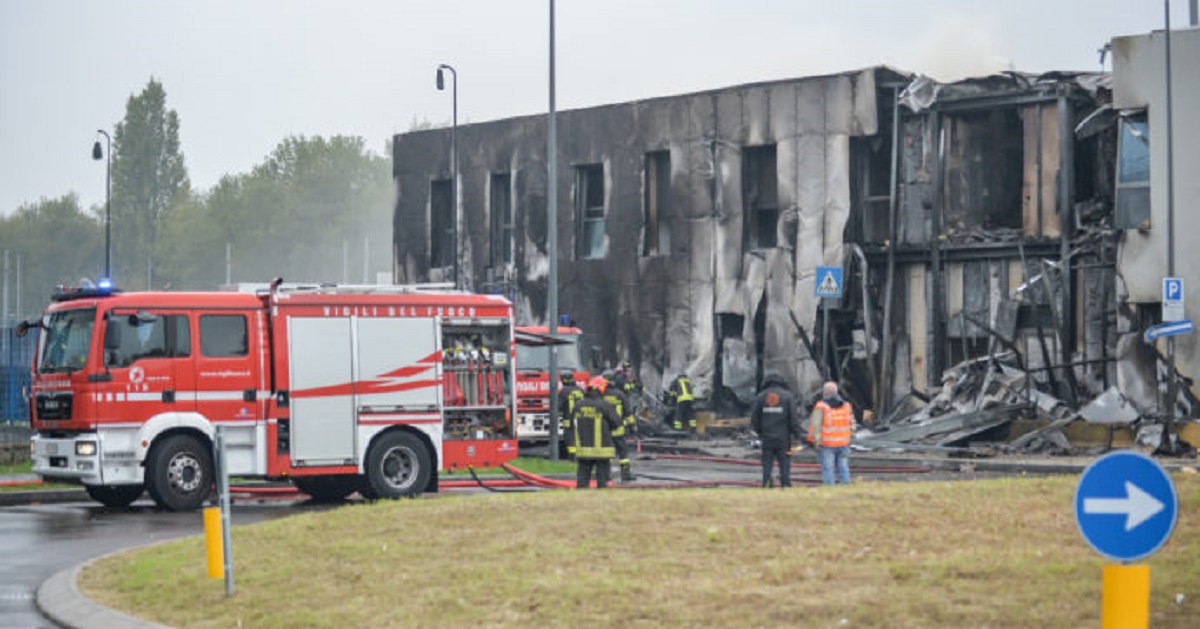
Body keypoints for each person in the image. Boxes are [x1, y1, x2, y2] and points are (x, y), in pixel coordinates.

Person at [749, 372, 802, 488]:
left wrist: (760, 432)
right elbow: (793, 419)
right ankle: (785, 485)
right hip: (784, 438)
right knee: (785, 464)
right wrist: (797, 435)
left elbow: (754, 418)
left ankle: (767, 485)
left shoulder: (760, 397)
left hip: (767, 437)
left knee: (767, 465)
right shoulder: (788, 397)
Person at [571, 376, 622, 489]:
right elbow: (617, 422)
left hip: (583, 450)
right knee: (602, 481)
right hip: (602, 450)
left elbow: (571, 424)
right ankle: (601, 500)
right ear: (601, 389)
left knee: (582, 480)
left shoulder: (578, 405)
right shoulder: (605, 405)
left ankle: (581, 499)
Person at [808, 381, 855, 485]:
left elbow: (815, 426)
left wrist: (815, 441)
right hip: (843, 443)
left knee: (828, 468)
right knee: (843, 466)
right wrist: (849, 437)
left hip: (827, 444)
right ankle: (845, 486)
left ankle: (829, 488)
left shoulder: (821, 406)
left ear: (824, 393)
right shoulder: (846, 406)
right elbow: (852, 424)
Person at [602, 371, 637, 481]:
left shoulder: (600, 396)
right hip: (619, 430)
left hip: (604, 431)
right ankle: (626, 474)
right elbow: (628, 413)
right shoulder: (620, 395)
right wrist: (633, 427)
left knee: (607, 453)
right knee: (623, 453)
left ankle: (606, 475)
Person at [558, 372, 583, 458]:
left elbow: (558, 405)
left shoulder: (564, 391)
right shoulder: (580, 389)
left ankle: (572, 457)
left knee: (570, 438)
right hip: (581, 418)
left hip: (569, 419)